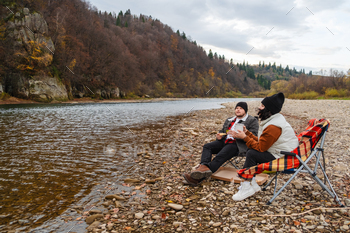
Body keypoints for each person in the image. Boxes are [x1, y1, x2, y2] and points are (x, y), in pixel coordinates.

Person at [231, 92, 299, 201]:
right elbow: (263, 142)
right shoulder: (273, 120)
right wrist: (247, 134)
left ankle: (247, 185)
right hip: (281, 152)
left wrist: (244, 137)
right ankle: (251, 183)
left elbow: (261, 148)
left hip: (285, 157)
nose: (259, 107)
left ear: (268, 109)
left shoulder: (273, 126)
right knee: (251, 149)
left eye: (262, 106)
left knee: (252, 153)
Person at [183, 102, 259, 186]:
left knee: (220, 155)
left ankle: (196, 179)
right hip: (224, 141)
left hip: (237, 145)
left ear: (245, 111)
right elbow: (223, 131)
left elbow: (254, 136)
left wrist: (239, 136)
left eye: (241, 108)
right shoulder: (230, 119)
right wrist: (219, 136)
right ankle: (203, 167)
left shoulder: (252, 120)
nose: (238, 110)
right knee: (207, 146)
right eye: (237, 108)